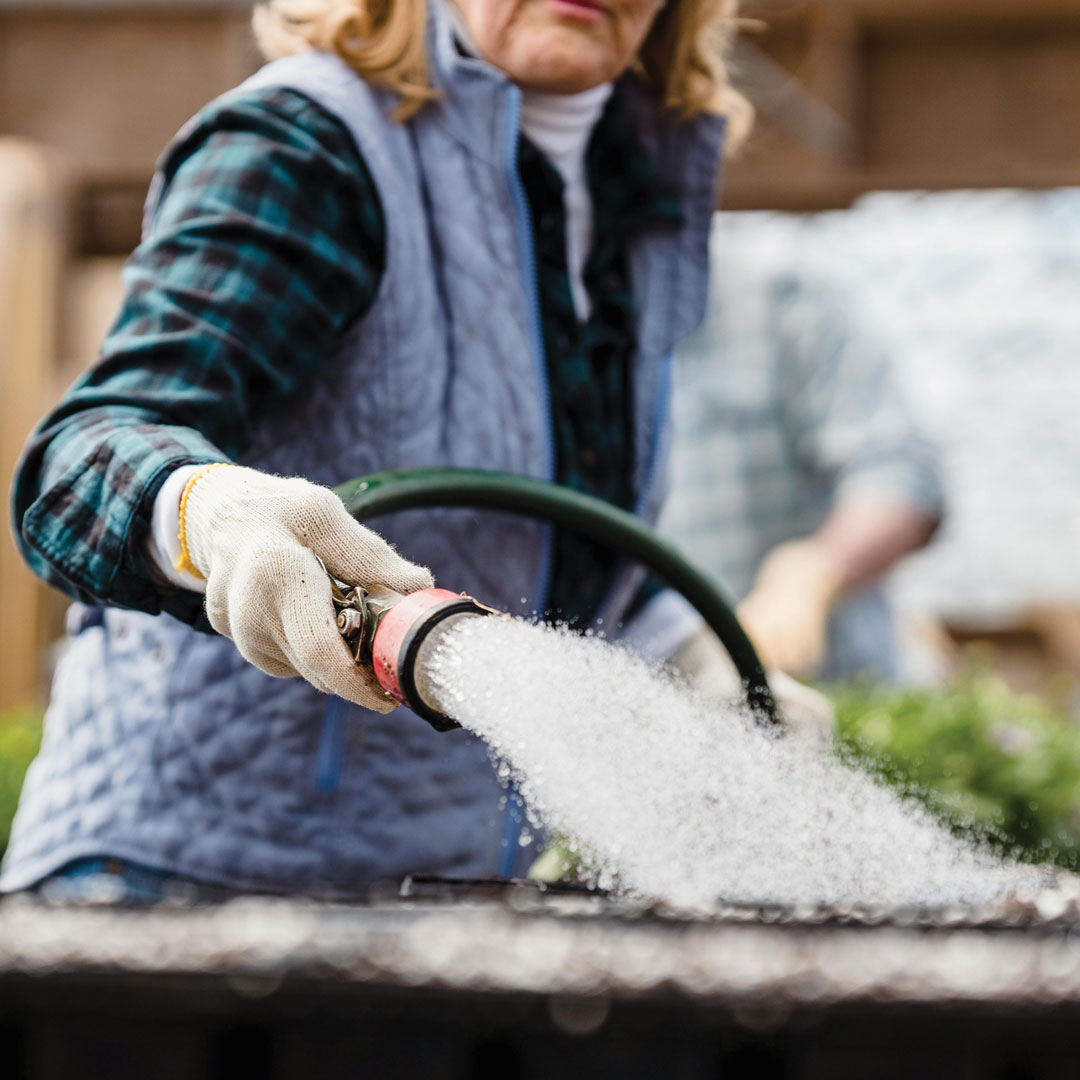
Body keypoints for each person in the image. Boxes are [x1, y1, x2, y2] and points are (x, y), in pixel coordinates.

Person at [1, 0, 811, 903]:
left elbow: (540, 543)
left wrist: (679, 655)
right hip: (173, 885)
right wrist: (205, 514)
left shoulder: (637, 192)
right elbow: (74, 461)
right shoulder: (308, 146)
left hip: (438, 902)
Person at [662, 213, 945, 685]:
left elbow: (899, 471)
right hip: (656, 712)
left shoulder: (776, 292)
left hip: (828, 689)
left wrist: (811, 571)